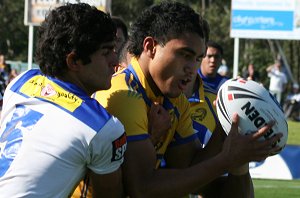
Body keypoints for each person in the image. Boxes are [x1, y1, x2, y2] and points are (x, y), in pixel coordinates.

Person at [91, 2, 281, 197]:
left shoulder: (175, 100)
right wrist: (225, 160)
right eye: (184, 55)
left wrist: (228, 130)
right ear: (151, 47)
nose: (193, 68)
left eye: (198, 58)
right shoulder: (124, 95)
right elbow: (142, 188)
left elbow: (191, 171)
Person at [0, 3, 127, 197]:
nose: (115, 61)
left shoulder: (21, 82)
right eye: (106, 52)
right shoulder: (102, 127)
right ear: (74, 61)